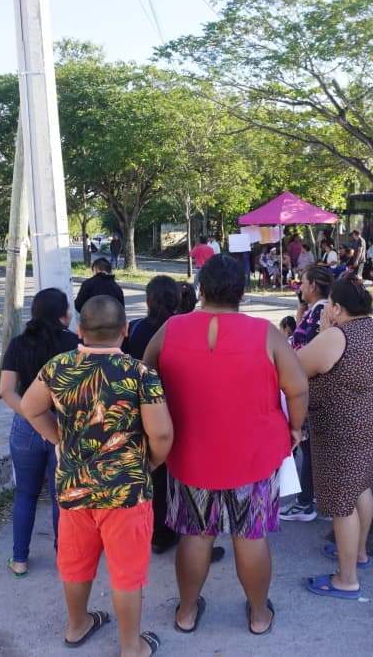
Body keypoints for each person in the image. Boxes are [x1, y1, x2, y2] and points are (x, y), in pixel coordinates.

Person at [142, 254, 308, 636]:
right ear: (243, 292)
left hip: (190, 454)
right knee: (250, 536)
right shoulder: (266, 333)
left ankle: (185, 612)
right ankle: (258, 615)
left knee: (195, 535)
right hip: (253, 456)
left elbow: (144, 376)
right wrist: (295, 428)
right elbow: (297, 387)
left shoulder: (171, 329)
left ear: (200, 288)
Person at [21, 295, 171, 656]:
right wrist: (150, 463)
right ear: (124, 331)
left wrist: (59, 440)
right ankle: (130, 647)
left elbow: (29, 407)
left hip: (74, 485)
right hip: (125, 491)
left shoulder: (59, 367)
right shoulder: (139, 374)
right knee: (126, 573)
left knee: (75, 563)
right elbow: (162, 433)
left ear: (79, 330)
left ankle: (77, 626)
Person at [296, 275, 373, 600]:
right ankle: (359, 553)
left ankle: (346, 579)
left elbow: (298, 367)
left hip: (346, 428)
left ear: (336, 307)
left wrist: (325, 332)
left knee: (342, 503)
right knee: (361, 489)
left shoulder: (337, 335)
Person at [121, 276, 227, 562]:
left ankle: (159, 534)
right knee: (189, 475)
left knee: (155, 473)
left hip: (145, 410)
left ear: (147, 300)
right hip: (184, 410)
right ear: (179, 299)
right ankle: (193, 537)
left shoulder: (137, 329)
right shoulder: (186, 328)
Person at [0, 287, 79, 576]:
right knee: (62, 496)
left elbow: (6, 390)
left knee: (26, 494)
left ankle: (19, 559)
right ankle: (64, 556)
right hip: (65, 426)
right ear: (62, 314)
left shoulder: (19, 343)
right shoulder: (74, 343)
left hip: (25, 426)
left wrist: (33, 415)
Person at [280, 266, 333, 522]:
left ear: (313, 286)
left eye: (302, 282)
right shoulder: (314, 311)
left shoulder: (321, 311)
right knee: (310, 446)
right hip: (310, 386)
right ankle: (310, 498)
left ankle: (306, 502)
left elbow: (307, 349)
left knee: (309, 446)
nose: (299, 286)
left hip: (313, 388)